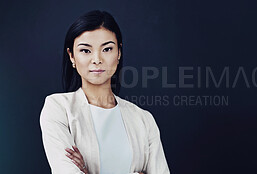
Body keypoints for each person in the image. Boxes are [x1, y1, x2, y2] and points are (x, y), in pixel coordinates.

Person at [39, 10, 170, 174]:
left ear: (119, 53)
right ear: (71, 56)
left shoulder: (143, 119)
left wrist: (88, 172)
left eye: (107, 49)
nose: (97, 59)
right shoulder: (58, 108)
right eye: (86, 50)